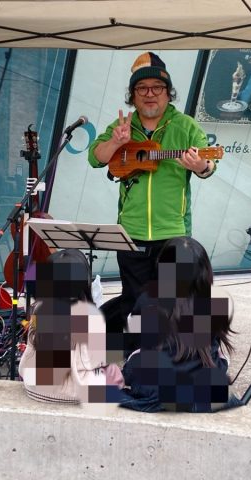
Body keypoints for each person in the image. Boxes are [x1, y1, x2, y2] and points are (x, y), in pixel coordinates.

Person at [88, 51, 218, 332]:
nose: (150, 94)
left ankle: (171, 352)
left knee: (174, 304)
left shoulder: (185, 126)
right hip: (131, 232)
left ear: (168, 94)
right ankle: (139, 351)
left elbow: (209, 165)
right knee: (135, 303)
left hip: (173, 233)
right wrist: (115, 142)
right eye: (142, 88)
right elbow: (95, 158)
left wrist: (200, 164)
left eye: (157, 88)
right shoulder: (122, 126)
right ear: (132, 95)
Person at [120, 236, 239, 413]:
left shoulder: (146, 300)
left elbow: (133, 344)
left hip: (154, 390)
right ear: (205, 269)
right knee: (218, 358)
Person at [18, 249, 124, 404]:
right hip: (68, 392)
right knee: (114, 371)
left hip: (34, 386)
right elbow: (92, 361)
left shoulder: (38, 307)